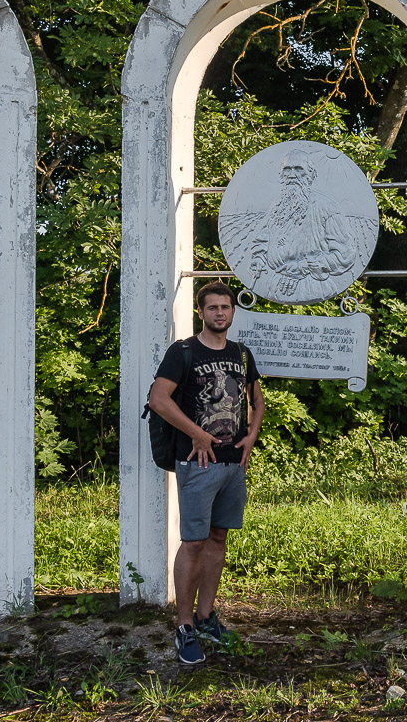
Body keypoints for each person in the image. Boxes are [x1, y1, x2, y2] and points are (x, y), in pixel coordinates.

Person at [147, 281, 264, 665]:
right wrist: (196, 433)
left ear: (233, 312)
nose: (219, 313)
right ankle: (184, 626)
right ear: (201, 312)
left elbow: (256, 401)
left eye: (225, 307)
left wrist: (252, 436)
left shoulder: (242, 354)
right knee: (194, 542)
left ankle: (206, 616)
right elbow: (158, 399)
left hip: (234, 463)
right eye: (211, 307)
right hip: (197, 463)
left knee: (218, 537)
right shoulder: (183, 352)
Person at [247, 149, 361, 298]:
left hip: (312, 285)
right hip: (274, 284)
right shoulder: (277, 205)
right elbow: (261, 241)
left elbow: (345, 253)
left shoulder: (326, 207)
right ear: (281, 175)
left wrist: (302, 267)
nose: (292, 175)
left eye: (299, 169)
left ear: (311, 175)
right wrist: (257, 259)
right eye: (287, 169)